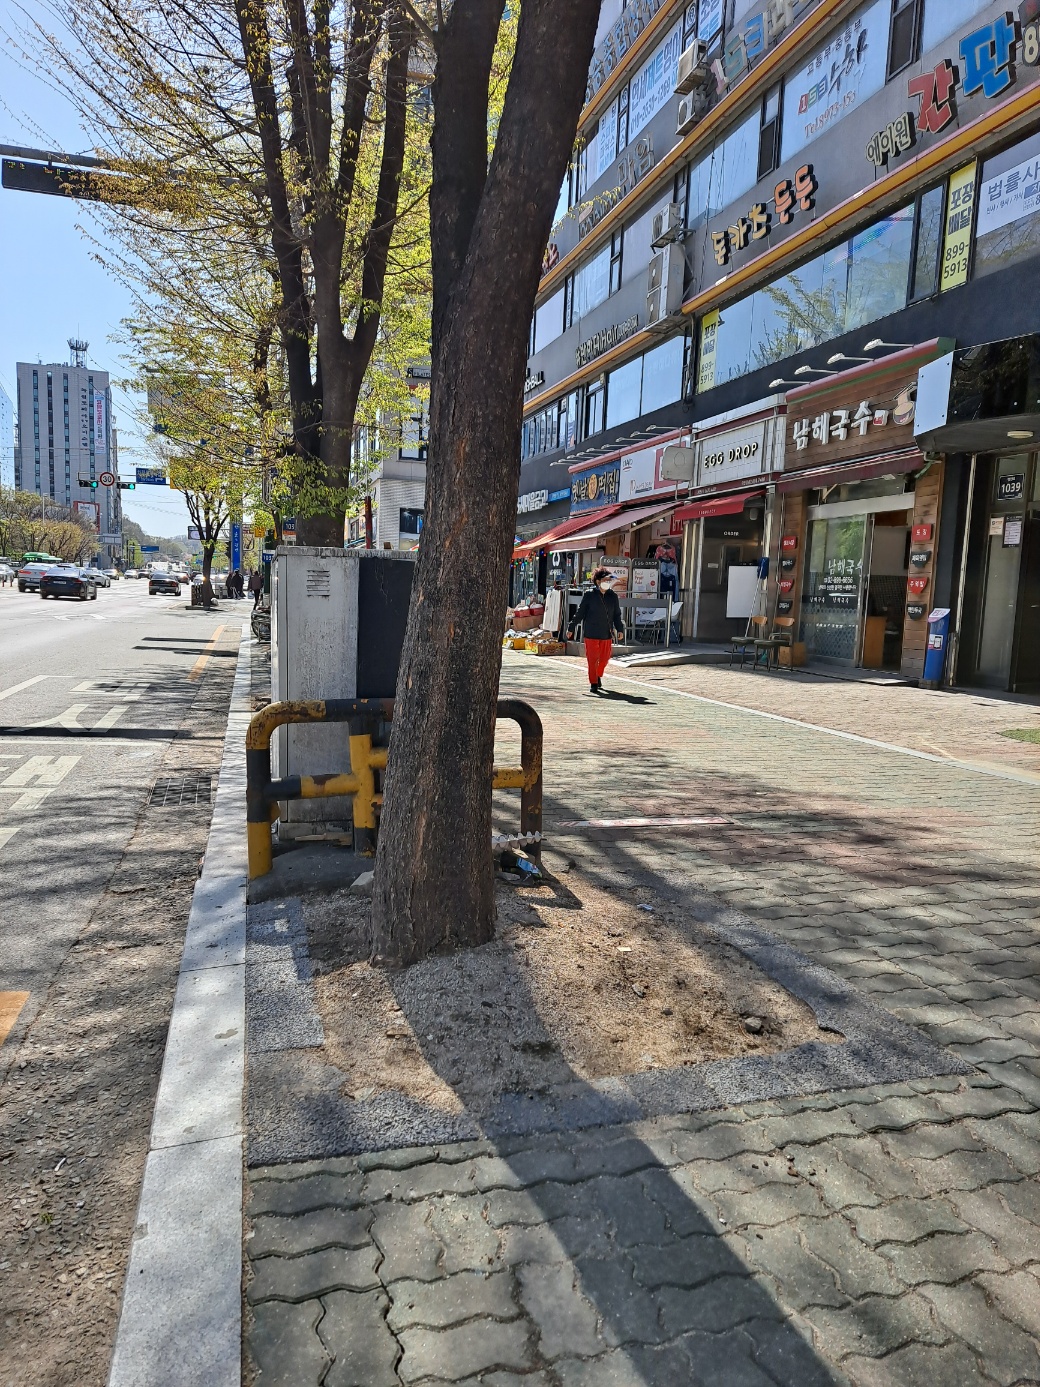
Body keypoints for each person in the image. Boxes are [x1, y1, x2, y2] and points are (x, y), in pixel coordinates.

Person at [567, 567, 625, 694]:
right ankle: (593, 682)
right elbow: (580, 613)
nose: (607, 582)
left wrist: (620, 629)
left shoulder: (613, 596)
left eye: (609, 580)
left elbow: (617, 615)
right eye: (605, 580)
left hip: (606, 633)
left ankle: (598, 674)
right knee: (592, 660)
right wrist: (571, 627)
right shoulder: (589, 595)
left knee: (604, 659)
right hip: (591, 633)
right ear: (598, 581)